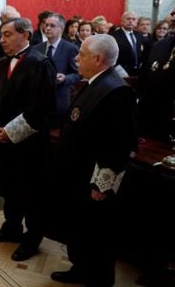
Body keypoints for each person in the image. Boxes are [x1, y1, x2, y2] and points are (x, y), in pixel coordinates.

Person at [50, 34, 137, 287]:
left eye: (82, 54)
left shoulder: (117, 90)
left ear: (98, 59)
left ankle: (98, 279)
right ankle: (80, 268)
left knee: (97, 234)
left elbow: (120, 143)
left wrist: (103, 185)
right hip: (77, 175)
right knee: (79, 230)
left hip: (93, 181)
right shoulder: (93, 83)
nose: (76, 58)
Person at [0, 17, 56, 262]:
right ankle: (11, 226)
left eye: (7, 34)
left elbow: (40, 107)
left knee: (31, 190)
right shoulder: (2, 62)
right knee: (9, 185)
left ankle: (33, 237)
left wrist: (10, 132)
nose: (1, 39)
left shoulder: (41, 63)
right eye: (1, 35)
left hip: (29, 143)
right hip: (5, 141)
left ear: (25, 35)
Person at [34, 13, 80, 128]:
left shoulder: (70, 48)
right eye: (46, 25)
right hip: (39, 102)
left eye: (52, 26)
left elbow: (78, 73)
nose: (47, 28)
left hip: (60, 101)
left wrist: (65, 78)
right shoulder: (37, 48)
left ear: (61, 28)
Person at [110, 11, 150, 77]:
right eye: (128, 19)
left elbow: (143, 54)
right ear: (122, 21)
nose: (131, 21)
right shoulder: (114, 36)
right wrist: (121, 72)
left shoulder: (139, 35)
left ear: (136, 22)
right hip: (121, 73)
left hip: (138, 73)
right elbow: (111, 56)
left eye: (133, 19)